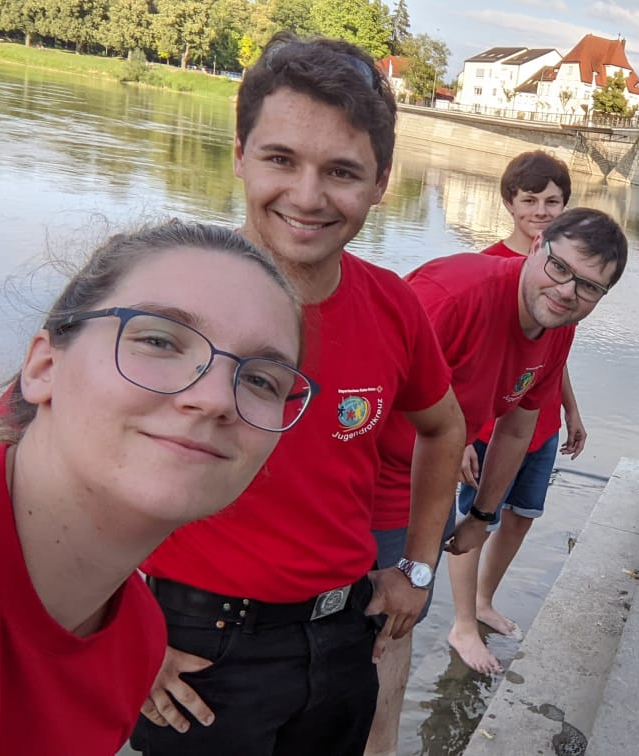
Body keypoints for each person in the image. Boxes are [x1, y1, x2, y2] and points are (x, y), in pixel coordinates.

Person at [130, 33, 466, 756]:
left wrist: (416, 566)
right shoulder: (160, 296)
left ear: (381, 183)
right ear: (240, 153)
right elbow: (40, 468)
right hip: (195, 649)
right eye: (281, 159)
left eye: (342, 171)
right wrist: (118, 624)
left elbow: (445, 429)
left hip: (342, 637)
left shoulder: (394, 308)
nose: (307, 198)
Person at [0, 221, 315, 755]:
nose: (215, 398)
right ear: (43, 367)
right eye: (159, 340)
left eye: (260, 379)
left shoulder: (135, 638)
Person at [374, 210, 627, 705]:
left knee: (398, 622)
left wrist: (482, 515)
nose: (567, 291)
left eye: (590, 288)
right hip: (362, 479)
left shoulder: (557, 326)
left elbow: (518, 425)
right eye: (560, 268)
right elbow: (352, 397)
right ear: (535, 247)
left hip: (428, 485)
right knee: (343, 623)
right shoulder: (452, 296)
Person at [458, 151, 588, 639]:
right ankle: (462, 624)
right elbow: (459, 366)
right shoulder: (488, 266)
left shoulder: (567, 272)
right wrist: (460, 438)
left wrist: (571, 410)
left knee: (521, 517)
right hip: (491, 425)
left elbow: (555, 352)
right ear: (509, 204)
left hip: (541, 424)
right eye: (529, 199)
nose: (541, 211)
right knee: (474, 516)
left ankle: (484, 600)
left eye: (552, 201)